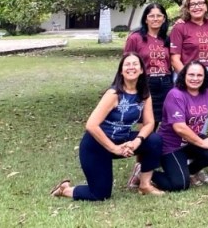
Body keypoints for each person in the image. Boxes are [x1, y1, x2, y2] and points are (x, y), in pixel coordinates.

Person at [49, 54, 163, 200]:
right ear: (121, 71)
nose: (131, 67)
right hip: (97, 145)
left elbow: (149, 123)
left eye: (135, 64)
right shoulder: (113, 94)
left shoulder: (144, 94)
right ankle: (65, 190)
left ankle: (145, 185)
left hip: (121, 140)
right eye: (127, 64)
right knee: (100, 194)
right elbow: (91, 125)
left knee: (154, 139)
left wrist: (136, 141)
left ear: (141, 70)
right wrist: (114, 148)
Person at [151, 62, 208, 191]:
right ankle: (145, 173)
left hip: (191, 141)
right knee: (180, 185)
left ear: (204, 77)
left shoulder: (206, 92)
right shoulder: (175, 94)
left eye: (199, 75)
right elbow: (179, 127)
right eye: (191, 74)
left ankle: (190, 172)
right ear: (184, 75)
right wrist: (202, 143)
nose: (195, 78)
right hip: (171, 146)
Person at [124, 3, 172, 127]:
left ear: (164, 18)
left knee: (161, 120)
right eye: (151, 16)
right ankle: (142, 145)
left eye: (159, 16)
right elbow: (126, 62)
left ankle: (155, 145)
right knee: (146, 122)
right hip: (146, 82)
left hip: (165, 83)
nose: (155, 19)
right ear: (145, 19)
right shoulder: (135, 38)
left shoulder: (166, 39)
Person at [169, 0, 208, 85]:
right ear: (187, 9)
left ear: (206, 7)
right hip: (185, 73)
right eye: (192, 4)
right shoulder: (180, 27)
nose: (197, 7)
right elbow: (174, 60)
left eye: (200, 3)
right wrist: (189, 77)